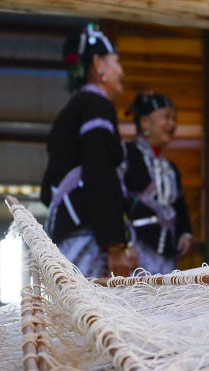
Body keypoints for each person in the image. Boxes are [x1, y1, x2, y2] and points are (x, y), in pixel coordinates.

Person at [41, 24, 136, 277]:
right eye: (117, 62)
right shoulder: (96, 106)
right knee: (90, 314)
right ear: (98, 64)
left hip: (72, 230)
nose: (122, 72)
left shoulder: (78, 107)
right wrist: (115, 244)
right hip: (87, 236)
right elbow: (100, 172)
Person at [123, 91, 193, 274]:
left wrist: (185, 233)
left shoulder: (171, 168)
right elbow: (114, 199)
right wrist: (124, 243)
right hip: (135, 252)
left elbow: (179, 206)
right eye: (167, 118)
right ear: (145, 122)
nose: (172, 124)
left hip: (167, 254)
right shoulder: (125, 155)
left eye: (174, 119)